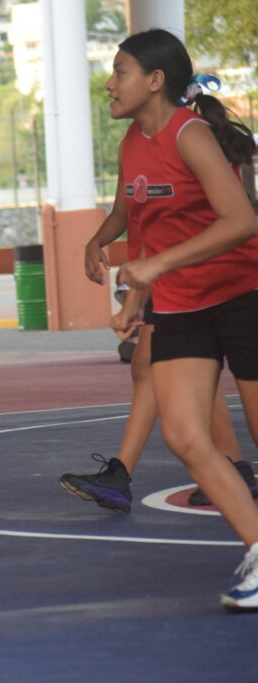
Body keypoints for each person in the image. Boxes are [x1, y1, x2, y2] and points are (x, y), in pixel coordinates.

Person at [97, 29, 258, 611]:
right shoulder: (130, 146)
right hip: (183, 306)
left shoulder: (190, 135)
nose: (110, 84)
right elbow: (147, 231)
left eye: (119, 72)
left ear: (155, 80)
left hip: (243, 295)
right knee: (187, 436)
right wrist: (136, 297)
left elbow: (241, 219)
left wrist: (157, 265)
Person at [59, 292, 255, 514]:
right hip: (179, 281)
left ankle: (121, 475)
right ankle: (234, 467)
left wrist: (132, 303)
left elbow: (151, 257)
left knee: (156, 364)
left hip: (188, 280)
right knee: (191, 366)